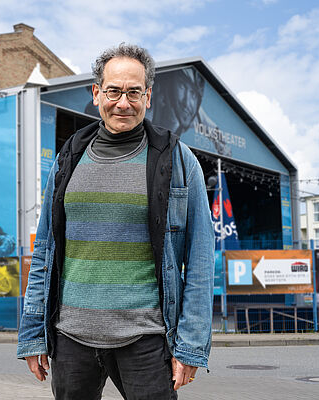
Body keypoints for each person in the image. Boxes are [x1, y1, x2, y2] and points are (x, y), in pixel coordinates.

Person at [17, 43, 214, 399]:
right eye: (113, 91)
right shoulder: (69, 157)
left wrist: (190, 345)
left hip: (145, 341)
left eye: (134, 92)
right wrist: (33, 334)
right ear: (97, 93)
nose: (123, 102)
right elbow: (45, 249)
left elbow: (200, 259)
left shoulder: (178, 161)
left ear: (148, 96)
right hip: (71, 339)